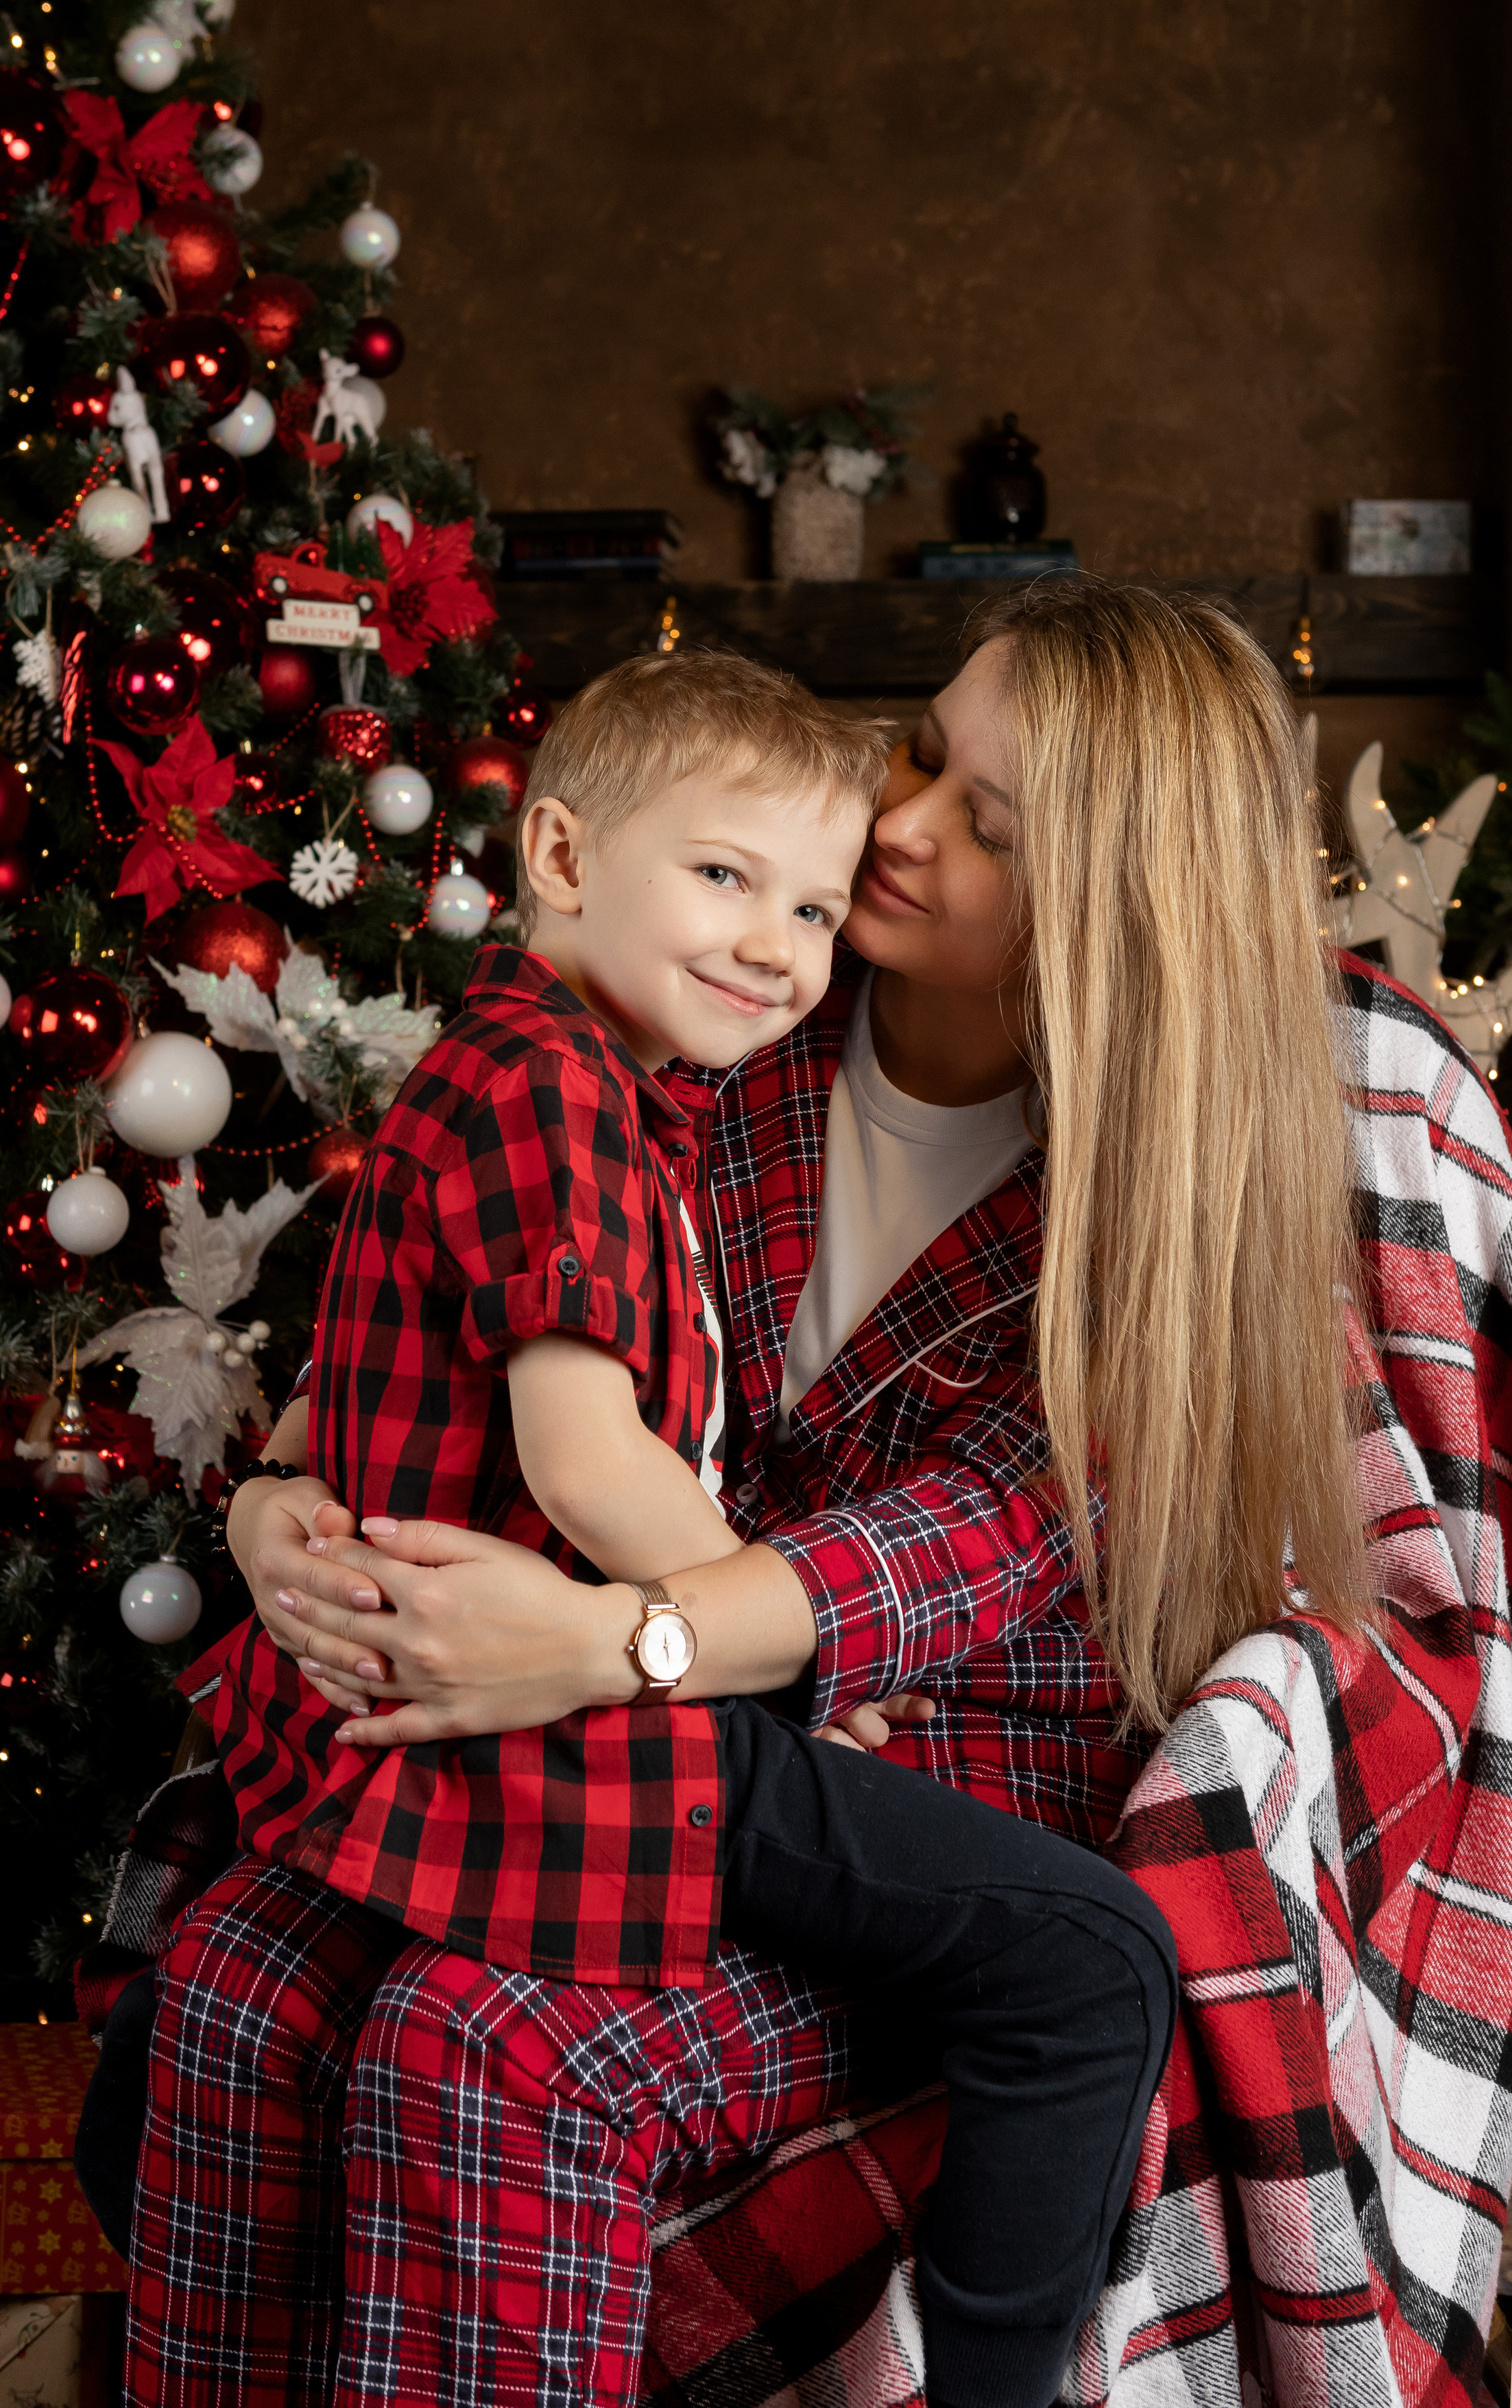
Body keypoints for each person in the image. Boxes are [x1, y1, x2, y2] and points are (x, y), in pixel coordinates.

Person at [126, 577, 1373, 2408]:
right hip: (605, 1728)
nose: (899, 821)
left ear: (1108, 911)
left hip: (910, 1760)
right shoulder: (711, 1007)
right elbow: (417, 1299)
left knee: (482, 2042)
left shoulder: (1152, 1211)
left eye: (986, 820)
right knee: (242, 1982)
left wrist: (616, 1639)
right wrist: (267, 1505)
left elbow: (966, 1548)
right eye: (925, 753)